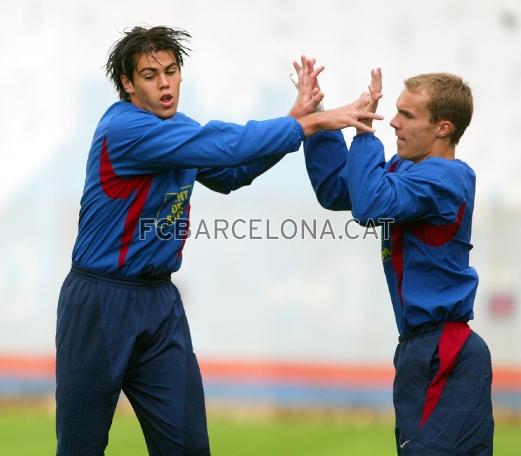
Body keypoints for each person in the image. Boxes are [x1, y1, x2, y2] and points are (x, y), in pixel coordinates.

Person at [55, 26, 381, 456]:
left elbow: (230, 173)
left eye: (171, 71)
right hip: (100, 301)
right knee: (81, 446)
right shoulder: (125, 129)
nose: (165, 82)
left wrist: (296, 117)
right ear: (127, 85)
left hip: (159, 303)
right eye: (150, 75)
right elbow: (228, 147)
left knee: (189, 446)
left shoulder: (179, 128)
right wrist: (311, 121)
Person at [299, 65, 494, 454]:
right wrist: (321, 121)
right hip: (420, 350)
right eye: (395, 111)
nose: (393, 122)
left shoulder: (447, 177)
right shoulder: (407, 170)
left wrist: (364, 131)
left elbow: (370, 206)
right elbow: (338, 190)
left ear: (443, 128)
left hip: (445, 350)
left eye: (407, 115)